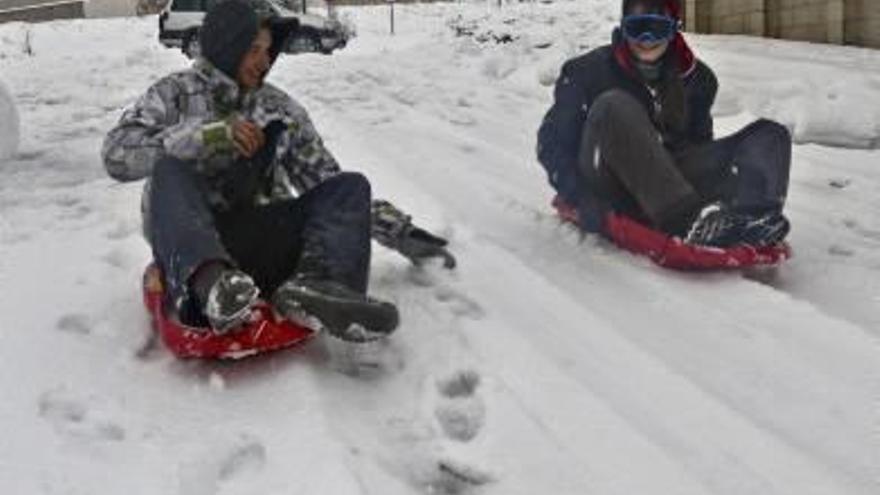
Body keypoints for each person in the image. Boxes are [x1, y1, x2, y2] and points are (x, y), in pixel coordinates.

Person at [102, 0, 455, 342]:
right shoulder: (175, 94)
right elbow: (117, 154)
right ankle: (214, 287)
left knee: (350, 188)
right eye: (253, 49)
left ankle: (317, 288)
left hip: (257, 237)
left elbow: (325, 179)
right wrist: (204, 136)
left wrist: (401, 231)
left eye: (268, 50)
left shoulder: (280, 109)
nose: (265, 60)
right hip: (190, 242)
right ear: (228, 45)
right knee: (169, 170)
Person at [537, 0, 792, 248]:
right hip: (607, 179)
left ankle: (753, 217)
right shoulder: (586, 71)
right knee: (613, 105)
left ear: (673, 29)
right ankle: (686, 221)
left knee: (770, 136)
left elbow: (699, 145)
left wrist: (719, 179)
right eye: (637, 28)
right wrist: (580, 198)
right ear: (623, 27)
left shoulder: (698, 80)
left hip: (666, 178)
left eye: (657, 28)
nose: (646, 40)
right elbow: (551, 143)